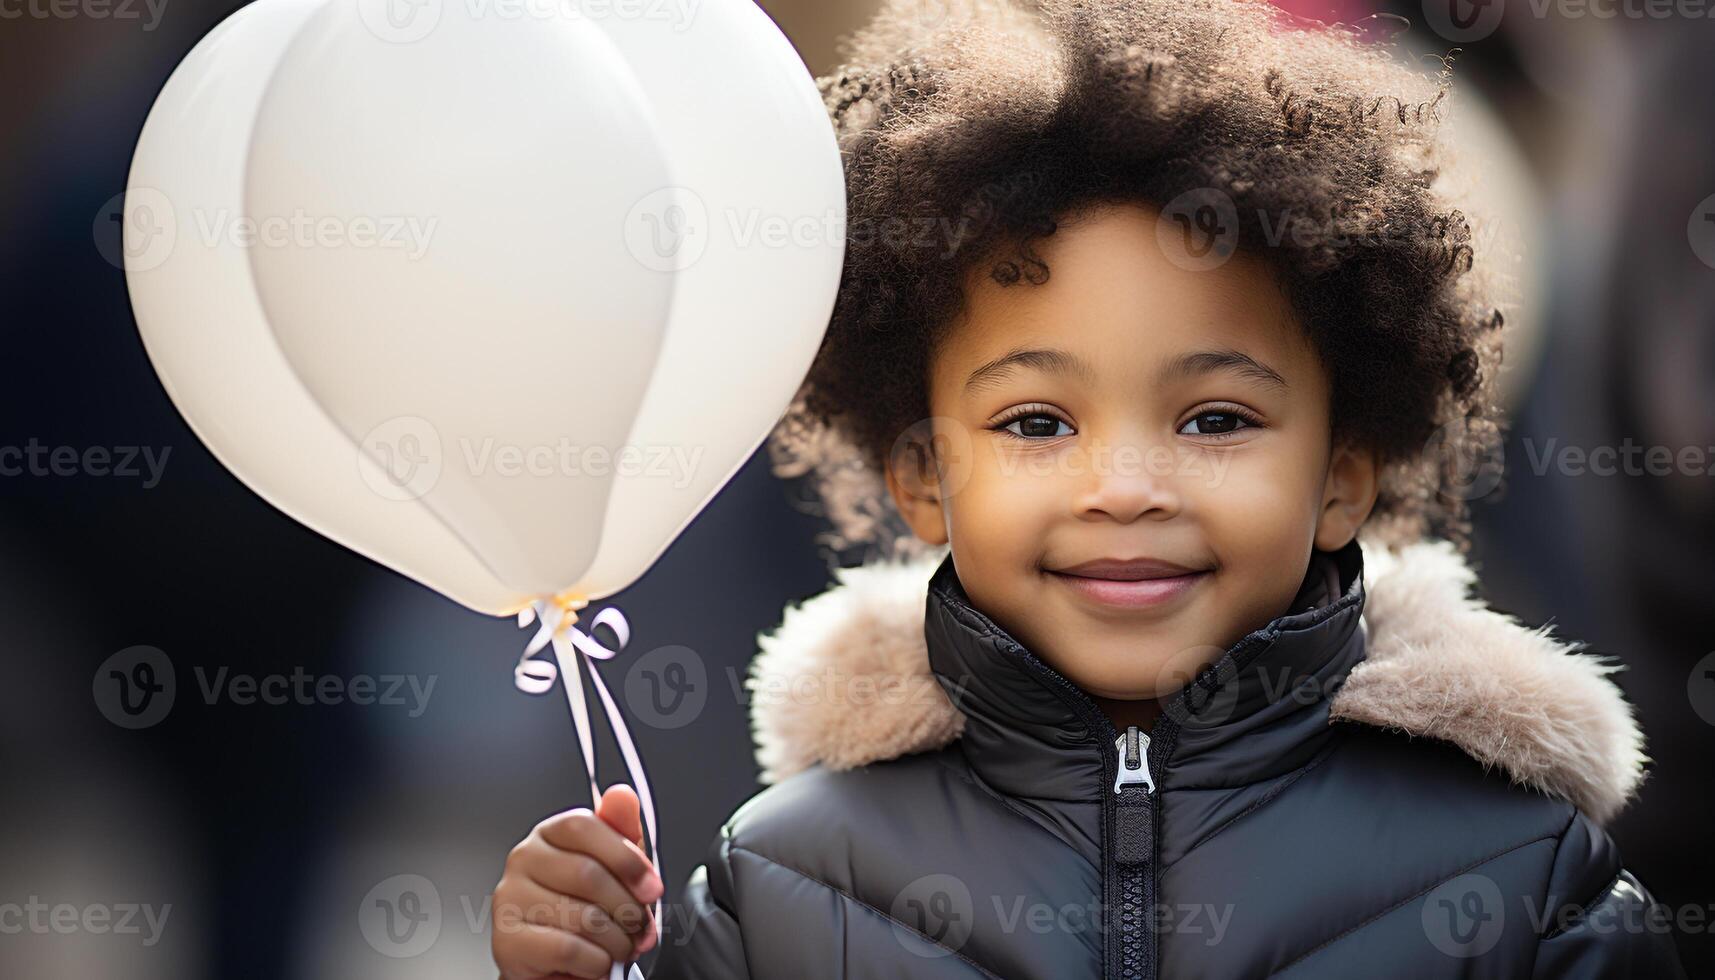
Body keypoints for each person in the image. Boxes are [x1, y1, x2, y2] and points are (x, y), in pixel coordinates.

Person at [489, 0, 1690, 976]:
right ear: (920, 477)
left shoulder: (1517, 877)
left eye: (1214, 418)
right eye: (1036, 421)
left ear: (1340, 479)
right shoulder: (788, 879)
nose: (1122, 484)